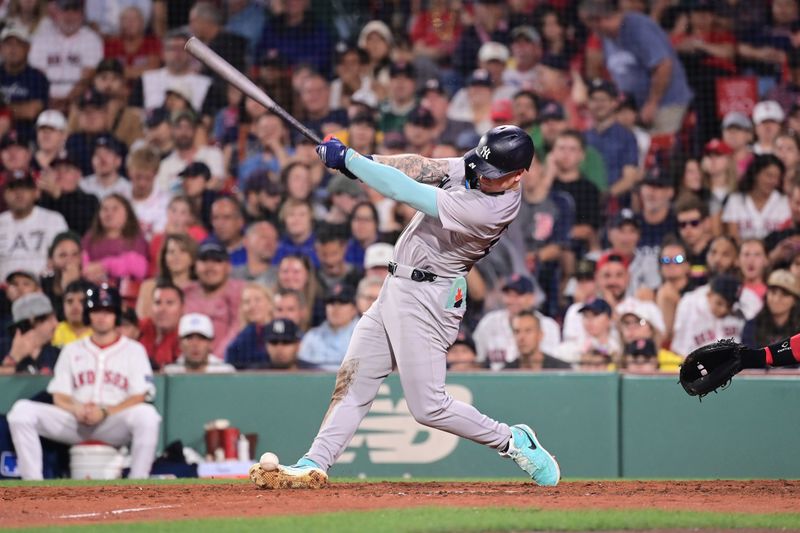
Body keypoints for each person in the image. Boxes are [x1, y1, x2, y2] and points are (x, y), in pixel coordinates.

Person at [249, 125, 560, 489]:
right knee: (354, 378)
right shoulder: (480, 167)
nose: (481, 175)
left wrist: (350, 160)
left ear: (518, 176)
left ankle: (512, 441)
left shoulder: (492, 208)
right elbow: (421, 166)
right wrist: (362, 163)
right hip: (396, 286)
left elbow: (406, 190)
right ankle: (315, 461)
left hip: (430, 297)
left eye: (494, 174)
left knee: (428, 406)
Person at [7, 284, 161, 480]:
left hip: (112, 422)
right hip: (75, 422)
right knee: (21, 412)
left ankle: (138, 483)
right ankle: (33, 484)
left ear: (116, 315)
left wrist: (105, 412)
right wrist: (77, 409)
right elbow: (59, 395)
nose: (102, 316)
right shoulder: (72, 349)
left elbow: (139, 395)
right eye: (96, 310)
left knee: (147, 415)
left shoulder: (134, 350)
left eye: (107, 311)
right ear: (88, 314)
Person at [580, 0, 692, 133]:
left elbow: (663, 64)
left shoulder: (638, 27)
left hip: (666, 103)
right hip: (634, 107)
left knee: (661, 147)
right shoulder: (606, 36)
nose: (593, 30)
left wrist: (652, 102)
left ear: (600, 20)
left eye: (593, 25)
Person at [472, 274, 561, 371]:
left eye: (518, 295)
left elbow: (550, 364)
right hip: (496, 380)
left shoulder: (547, 325)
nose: (512, 300)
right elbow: (478, 361)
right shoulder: (489, 323)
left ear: (531, 298)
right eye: (508, 295)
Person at [28, 0, 103, 111]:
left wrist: (67, 100)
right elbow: (37, 75)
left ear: (82, 15)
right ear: (57, 13)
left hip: (78, 102)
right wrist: (47, 99)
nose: (69, 16)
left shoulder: (92, 39)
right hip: (44, 100)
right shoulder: (42, 38)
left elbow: (88, 77)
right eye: (65, 10)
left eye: (74, 11)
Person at [0, 170, 68, 280]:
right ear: (5, 194)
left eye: (25, 188)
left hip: (44, 288)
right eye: (13, 188)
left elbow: (67, 257)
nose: (19, 193)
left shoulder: (53, 220)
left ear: (36, 193)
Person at [183, 242, 245, 356]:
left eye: (217, 261)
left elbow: (238, 328)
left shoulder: (239, 291)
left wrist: (216, 360)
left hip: (226, 363)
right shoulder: (185, 292)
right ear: (195, 266)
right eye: (204, 261)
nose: (210, 267)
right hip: (186, 363)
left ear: (228, 267)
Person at [671, 274, 746, 357]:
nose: (723, 310)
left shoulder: (738, 313)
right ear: (709, 294)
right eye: (719, 303)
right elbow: (679, 349)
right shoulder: (690, 306)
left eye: (729, 306)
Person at [81, 194, 149, 284]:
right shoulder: (90, 237)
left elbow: (140, 268)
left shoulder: (135, 237)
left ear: (127, 213)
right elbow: (81, 263)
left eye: (115, 209)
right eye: (104, 209)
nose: (109, 213)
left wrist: (105, 266)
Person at [722, 154, 791, 241]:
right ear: (755, 174)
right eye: (769, 175)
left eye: (777, 177)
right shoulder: (735, 200)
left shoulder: (784, 202)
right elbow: (733, 239)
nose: (773, 181)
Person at [0, 24, 48, 141]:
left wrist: (4, 110)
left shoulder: (37, 77)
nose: (13, 49)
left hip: (26, 138)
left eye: (18, 44)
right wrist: (17, 109)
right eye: (8, 44)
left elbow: (31, 111)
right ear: (1, 48)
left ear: (27, 48)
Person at [297, 283, 360, 372]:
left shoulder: (366, 336)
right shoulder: (312, 336)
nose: (336, 308)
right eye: (331, 302)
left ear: (354, 309)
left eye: (342, 302)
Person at [1, 292, 59, 375]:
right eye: (50, 319)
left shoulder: (56, 354)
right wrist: (14, 357)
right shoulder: (4, 348)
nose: (56, 324)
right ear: (32, 322)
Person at [741, 269, 800, 348]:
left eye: (785, 294)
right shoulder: (752, 325)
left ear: (795, 301)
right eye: (773, 292)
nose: (776, 299)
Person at [163, 312, 235, 374]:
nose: (195, 344)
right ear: (180, 343)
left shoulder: (225, 372)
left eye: (201, 338)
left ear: (211, 343)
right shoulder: (170, 373)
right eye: (189, 338)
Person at [225, 283, 274, 370]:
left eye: (257, 300)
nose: (252, 306)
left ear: (270, 304)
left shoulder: (282, 333)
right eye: (247, 302)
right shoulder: (239, 341)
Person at [137, 281, 183, 370]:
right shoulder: (139, 328)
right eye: (158, 302)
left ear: (182, 308)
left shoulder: (187, 336)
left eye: (170, 303)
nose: (162, 309)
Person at [231, 220, 279, 287]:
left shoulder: (281, 276)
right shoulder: (231, 276)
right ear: (246, 241)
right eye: (263, 237)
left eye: (274, 239)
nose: (270, 243)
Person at [51, 280, 92, 348]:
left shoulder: (100, 332)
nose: (75, 307)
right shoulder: (53, 331)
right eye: (69, 301)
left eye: (82, 301)